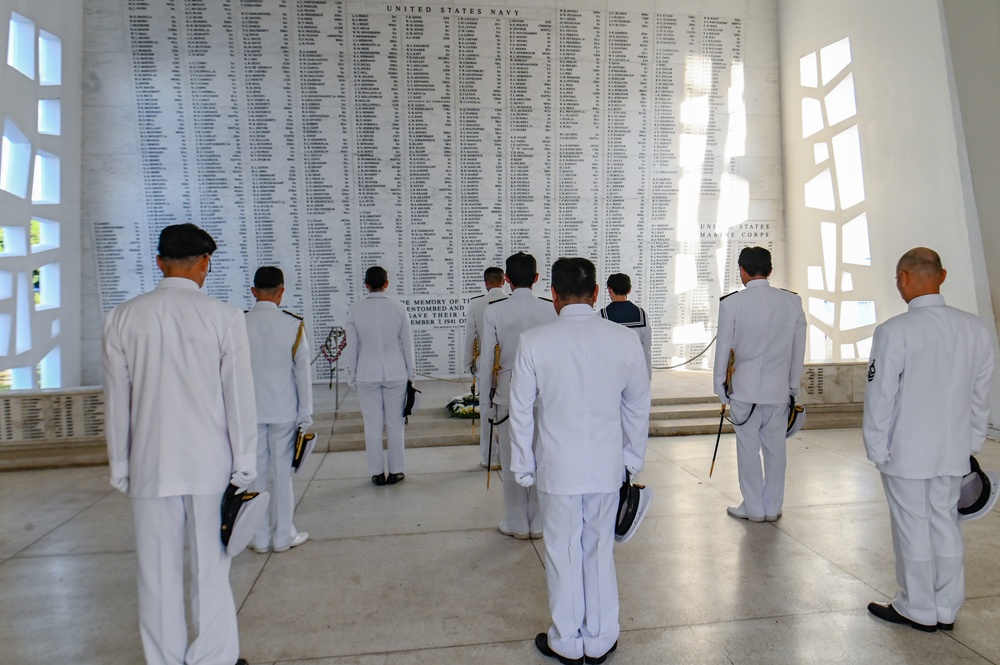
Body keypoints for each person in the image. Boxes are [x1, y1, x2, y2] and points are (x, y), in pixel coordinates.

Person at [103, 223, 256, 665]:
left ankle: (165, 659)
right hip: (211, 464)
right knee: (212, 569)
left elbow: (117, 401)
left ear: (159, 263)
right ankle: (213, 658)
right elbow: (238, 397)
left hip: (151, 463)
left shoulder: (122, 318)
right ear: (205, 263)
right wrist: (245, 460)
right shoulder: (224, 318)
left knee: (156, 573)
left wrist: (120, 465)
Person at [509, 257, 650, 665]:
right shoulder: (623, 340)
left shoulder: (535, 341)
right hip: (606, 467)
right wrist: (631, 459)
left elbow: (520, 410)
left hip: (557, 467)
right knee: (598, 550)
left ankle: (567, 639)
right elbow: (638, 405)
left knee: (562, 551)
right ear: (594, 294)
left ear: (553, 294)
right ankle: (602, 637)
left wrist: (523, 465)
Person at [864, 247, 994, 632]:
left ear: (903, 278)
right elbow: (979, 396)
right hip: (953, 450)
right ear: (943, 275)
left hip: (905, 452)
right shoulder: (976, 329)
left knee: (911, 525)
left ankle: (917, 607)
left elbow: (880, 395)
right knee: (945, 523)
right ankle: (947, 607)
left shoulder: (894, 331)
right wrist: (970, 445)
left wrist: (876, 446)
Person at [713, 246, 806, 523]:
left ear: (742, 271)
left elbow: (723, 349)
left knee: (748, 449)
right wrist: (793, 386)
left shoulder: (732, 304)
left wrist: (721, 388)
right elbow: (797, 348)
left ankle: (753, 507)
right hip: (777, 391)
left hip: (745, 390)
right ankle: (773, 506)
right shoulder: (791, 302)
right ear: (771, 270)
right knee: (776, 450)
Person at [480, 252, 557, 539]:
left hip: (507, 393)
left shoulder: (495, 311)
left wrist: (485, 402)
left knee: (513, 457)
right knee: (541, 456)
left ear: (507, 279)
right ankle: (538, 522)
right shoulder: (551, 309)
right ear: (537, 278)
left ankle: (517, 523)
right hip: (544, 393)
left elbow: (488, 361)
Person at [245, 266, 313, 553]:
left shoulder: (238, 323)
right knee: (282, 474)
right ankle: (283, 535)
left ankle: (258, 538)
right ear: (281, 291)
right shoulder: (292, 325)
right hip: (284, 410)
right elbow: (302, 374)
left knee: (256, 474)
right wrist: (305, 415)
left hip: (249, 413)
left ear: (253, 291)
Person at [345, 266, 415, 486]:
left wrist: (352, 375)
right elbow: (407, 344)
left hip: (367, 373)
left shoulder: (355, 309)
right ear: (387, 283)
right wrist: (411, 374)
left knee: (372, 424)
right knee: (395, 424)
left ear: (366, 285)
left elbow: (352, 347)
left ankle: (376, 472)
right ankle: (396, 470)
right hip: (396, 372)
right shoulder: (398, 308)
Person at [463, 266, 507, 468]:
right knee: (508, 415)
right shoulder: (511, 303)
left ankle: (489, 457)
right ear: (504, 281)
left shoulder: (476, 304)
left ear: (485, 283)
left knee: (486, 414)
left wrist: (470, 365)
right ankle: (509, 457)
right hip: (508, 367)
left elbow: (471, 338)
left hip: (485, 365)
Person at [599, 272, 652, 377]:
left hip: (611, 373)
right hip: (636, 372)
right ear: (629, 290)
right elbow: (646, 348)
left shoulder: (602, 315)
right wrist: (647, 376)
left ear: (609, 289)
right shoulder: (642, 314)